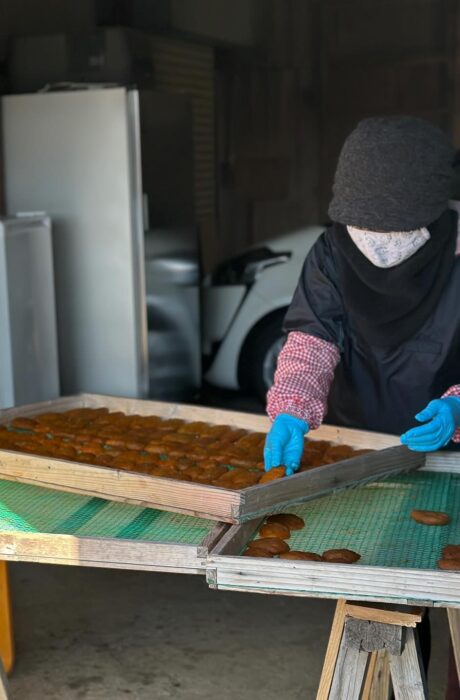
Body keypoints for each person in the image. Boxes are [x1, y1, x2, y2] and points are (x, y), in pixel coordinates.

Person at [263, 116, 460, 697]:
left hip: (447, 452)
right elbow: (312, 337)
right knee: (378, 591)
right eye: (361, 229)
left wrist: (457, 411)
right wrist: (292, 407)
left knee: (444, 578)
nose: (376, 246)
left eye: (391, 232)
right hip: (363, 452)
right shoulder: (331, 253)